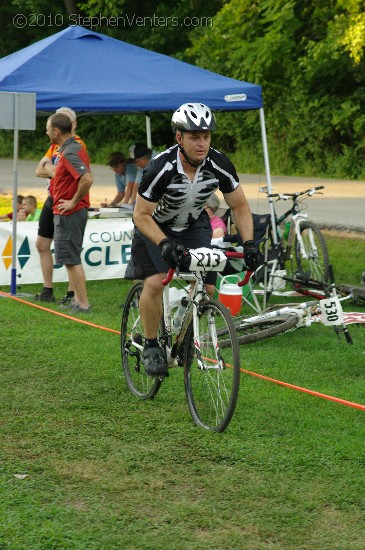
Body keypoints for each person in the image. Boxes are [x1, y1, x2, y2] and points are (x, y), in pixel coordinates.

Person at [126, 102, 258, 376]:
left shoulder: (219, 164)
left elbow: (240, 206)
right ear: (179, 138)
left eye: (206, 137)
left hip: (193, 224)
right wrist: (164, 244)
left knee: (207, 288)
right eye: (194, 137)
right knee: (154, 282)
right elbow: (140, 214)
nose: (201, 143)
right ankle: (151, 344)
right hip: (154, 226)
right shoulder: (159, 167)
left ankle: (185, 335)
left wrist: (249, 244)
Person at [34, 106, 86, 304]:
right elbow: (39, 170)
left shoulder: (76, 145)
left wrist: (49, 167)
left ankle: (73, 294)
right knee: (42, 244)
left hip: (66, 199)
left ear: (71, 125)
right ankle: (48, 289)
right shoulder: (55, 145)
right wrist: (49, 167)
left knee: (68, 250)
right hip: (51, 197)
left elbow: (61, 173)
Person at [46, 112, 93, 313]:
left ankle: (83, 304)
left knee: (72, 258)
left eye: (48, 129)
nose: (46, 132)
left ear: (56, 131)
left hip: (71, 213)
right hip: (68, 212)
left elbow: (87, 179)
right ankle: (78, 301)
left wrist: (73, 202)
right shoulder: (70, 148)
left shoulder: (71, 152)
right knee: (69, 257)